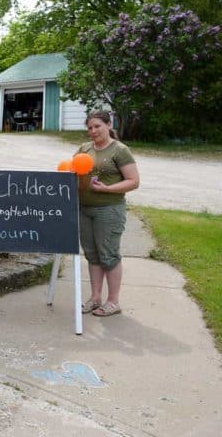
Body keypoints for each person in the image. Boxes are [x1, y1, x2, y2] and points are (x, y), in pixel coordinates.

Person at [77, 110, 140, 317]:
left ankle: (113, 302)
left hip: (109, 209)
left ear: (108, 125)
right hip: (84, 209)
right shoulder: (84, 149)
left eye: (97, 126)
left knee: (109, 255)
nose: (93, 131)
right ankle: (95, 298)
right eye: (89, 128)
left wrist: (107, 189)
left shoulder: (120, 150)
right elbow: (74, 173)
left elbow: (133, 181)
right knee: (92, 255)